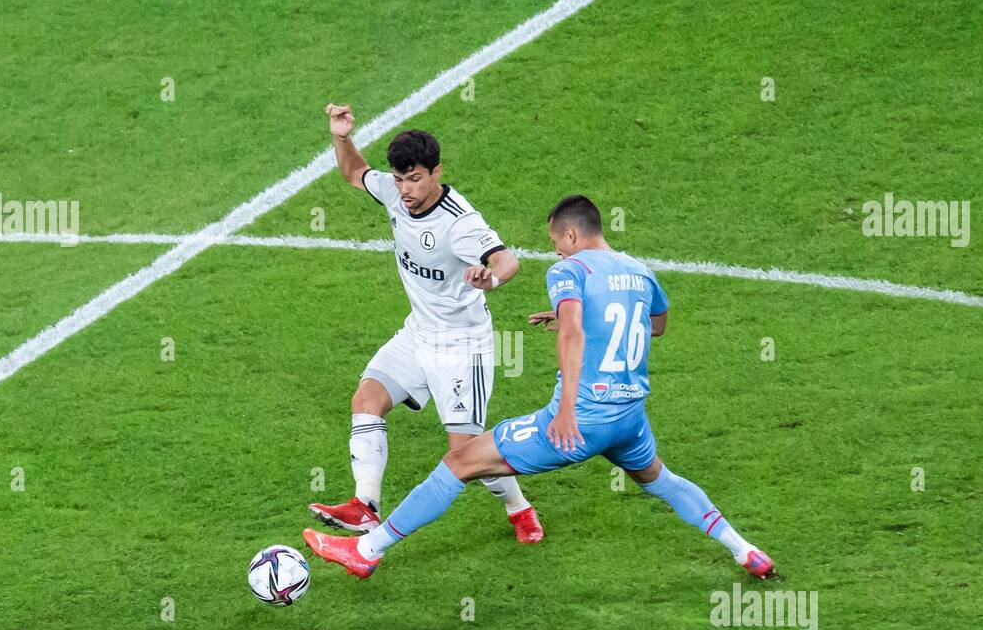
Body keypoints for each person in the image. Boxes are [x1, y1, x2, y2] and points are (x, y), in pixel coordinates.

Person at [303, 194, 774, 580]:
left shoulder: (570, 272)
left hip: (581, 419)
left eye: (557, 242)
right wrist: (586, 318)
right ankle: (745, 549)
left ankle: (367, 550)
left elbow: (571, 334)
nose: (557, 251)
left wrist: (567, 407)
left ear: (571, 234)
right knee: (662, 482)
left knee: (460, 460)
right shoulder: (639, 270)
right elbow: (657, 325)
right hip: (629, 417)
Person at [308, 104, 544, 544]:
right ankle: (365, 508)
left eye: (414, 178)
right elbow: (355, 172)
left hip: (461, 346)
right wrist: (341, 136)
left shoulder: (460, 222)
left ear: (436, 172)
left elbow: (507, 259)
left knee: (466, 453)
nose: (405, 189)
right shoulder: (396, 194)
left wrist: (489, 278)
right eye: (399, 179)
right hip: (418, 332)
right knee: (367, 399)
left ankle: (519, 506)